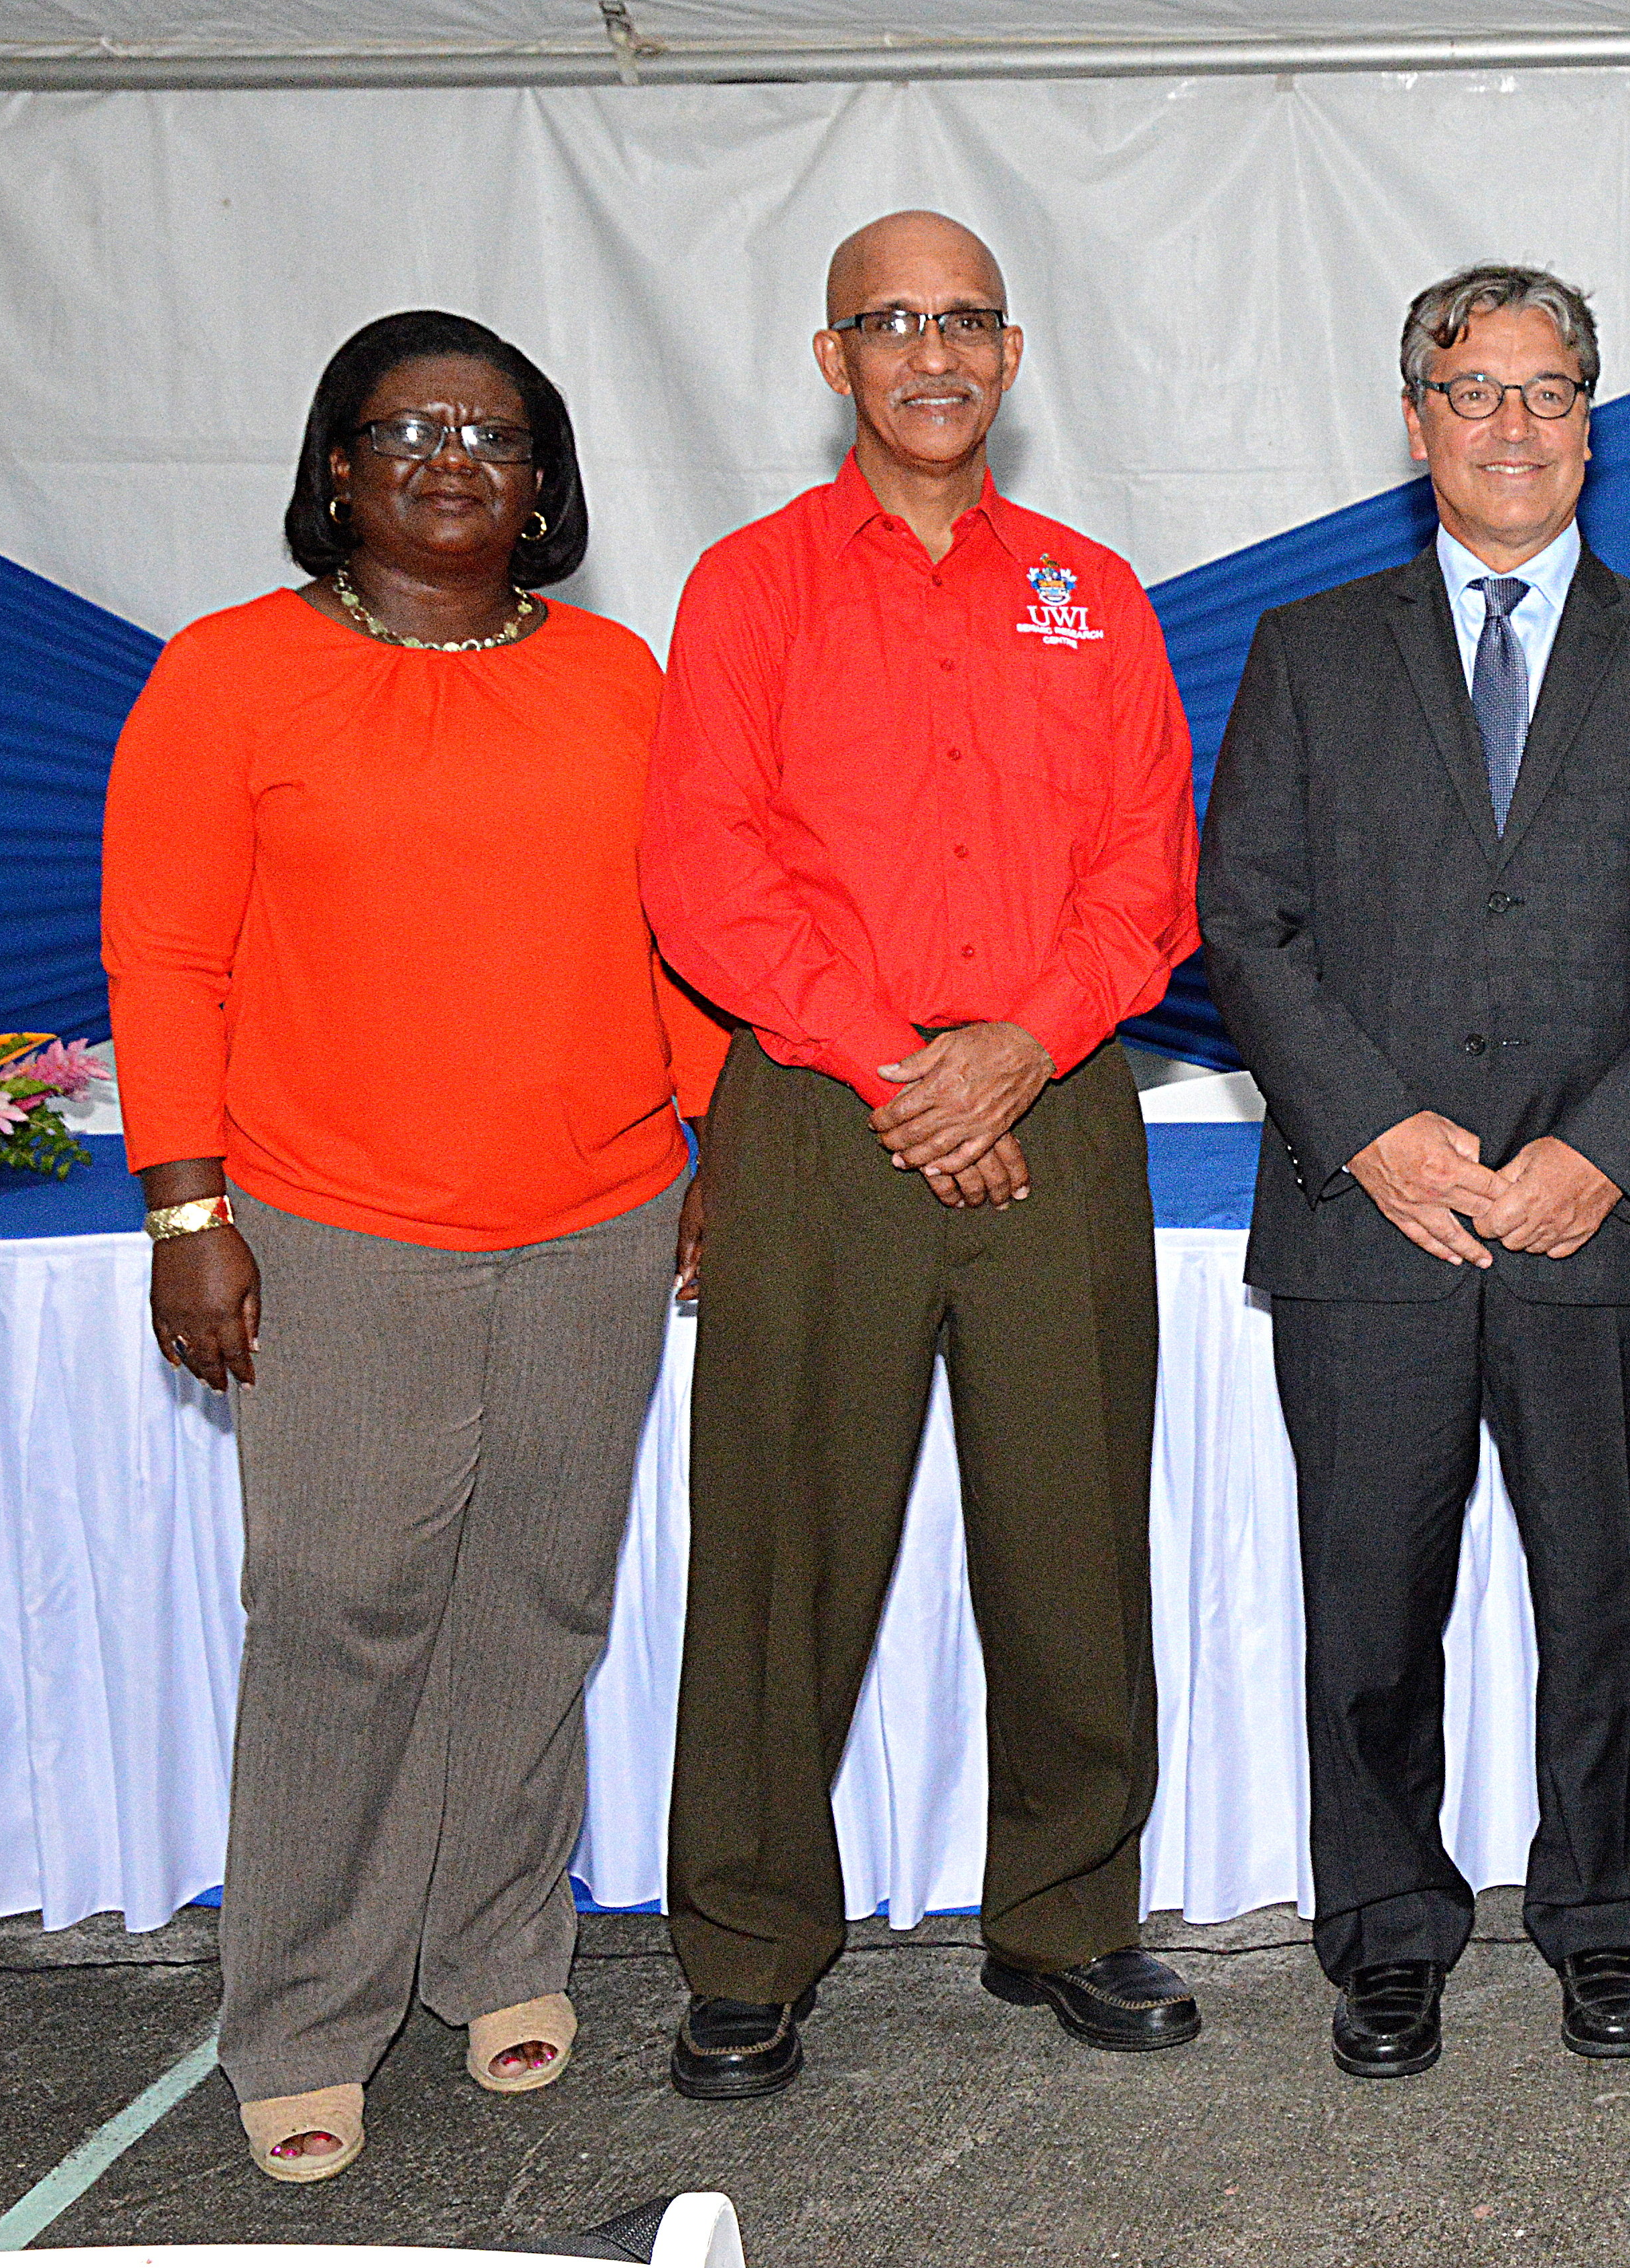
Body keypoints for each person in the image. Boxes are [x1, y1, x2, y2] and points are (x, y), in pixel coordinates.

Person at [100, 311, 722, 2182]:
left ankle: (499, 1946)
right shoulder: (228, 678)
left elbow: (681, 927)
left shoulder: (621, 675)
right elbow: (169, 957)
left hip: (598, 1219)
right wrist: (186, 1207)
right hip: (333, 1229)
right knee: (346, 1620)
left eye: (497, 435)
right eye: (410, 429)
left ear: (546, 485)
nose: (454, 459)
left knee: (538, 1603)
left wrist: (710, 1147)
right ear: (338, 467)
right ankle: (302, 2007)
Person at [638, 210, 1203, 2098]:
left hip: (1056, 1093)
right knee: (782, 1541)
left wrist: (1022, 1044)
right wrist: (903, 1066)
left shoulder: (1091, 591)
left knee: (1068, 1530)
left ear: (1014, 352)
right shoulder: (751, 585)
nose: (932, 352)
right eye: (892, 322)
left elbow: (1147, 865)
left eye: (965, 320)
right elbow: (703, 871)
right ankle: (746, 1943)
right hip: (820, 1105)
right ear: (834, 363)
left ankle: (1065, 1913)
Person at [1201, 265, 1630, 2078]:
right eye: (1475, 392)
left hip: (1601, 1235)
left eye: (1548, 392)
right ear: (1415, 423)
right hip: (1368, 1227)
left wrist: (1595, 1160)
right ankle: (1388, 1933)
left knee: (1609, 1608)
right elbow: (1246, 926)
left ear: (1591, 424)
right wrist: (1374, 1134)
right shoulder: (1306, 652)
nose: (1512, 425)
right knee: (1372, 1609)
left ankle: (1607, 1924)